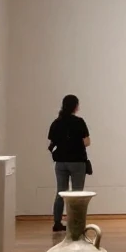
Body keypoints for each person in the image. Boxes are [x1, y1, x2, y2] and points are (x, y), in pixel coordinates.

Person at [47, 95, 91, 232]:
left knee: (61, 192)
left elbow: (52, 143)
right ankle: (75, 223)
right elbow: (87, 142)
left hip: (60, 162)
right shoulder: (79, 122)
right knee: (77, 194)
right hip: (77, 161)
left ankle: (57, 222)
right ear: (75, 107)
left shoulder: (56, 122)